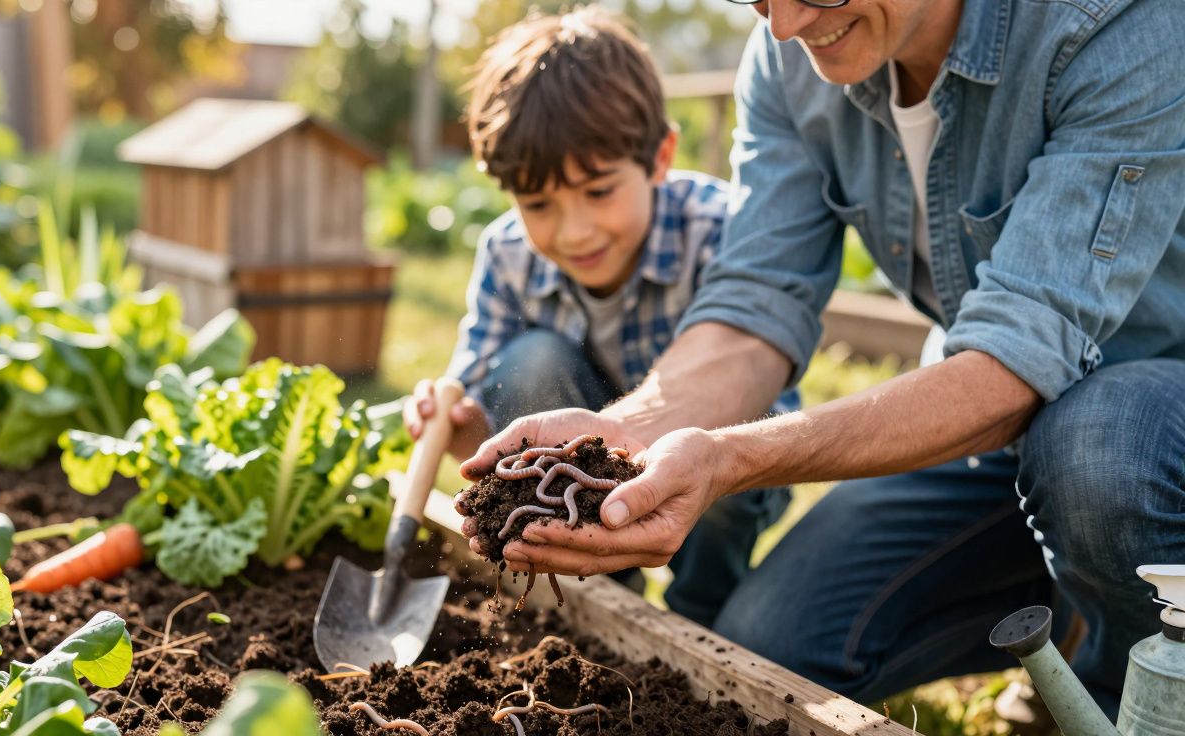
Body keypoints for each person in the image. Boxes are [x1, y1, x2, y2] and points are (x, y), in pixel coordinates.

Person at [458, 0, 1185, 716]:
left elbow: (1019, 358)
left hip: (1147, 415)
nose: (781, 25)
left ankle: (1127, 682)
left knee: (1099, 445)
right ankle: (1076, 594)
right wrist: (622, 438)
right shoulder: (789, 56)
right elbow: (753, 308)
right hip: (993, 440)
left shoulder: (1118, 22)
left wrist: (733, 457)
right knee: (766, 645)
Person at [404, 6, 796, 627]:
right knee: (530, 363)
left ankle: (700, 616)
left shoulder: (715, 229)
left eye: (599, 191)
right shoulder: (508, 254)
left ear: (659, 157)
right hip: (581, 468)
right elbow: (482, 405)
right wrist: (454, 424)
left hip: (717, 458)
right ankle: (608, 593)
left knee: (721, 444)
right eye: (538, 203)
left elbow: (759, 375)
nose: (574, 229)